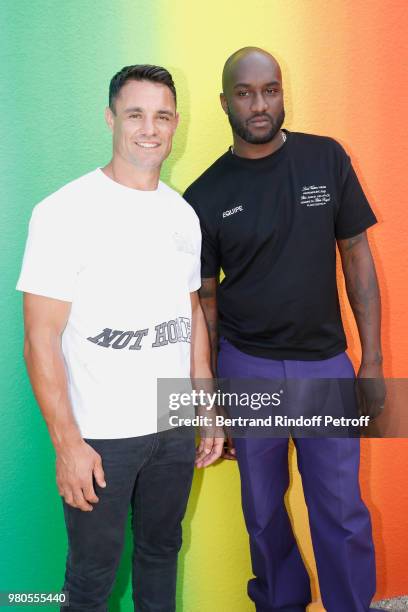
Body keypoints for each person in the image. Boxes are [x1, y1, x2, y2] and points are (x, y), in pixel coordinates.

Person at [184, 47, 384, 612]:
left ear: (282, 91)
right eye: (245, 93)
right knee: (263, 511)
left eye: (270, 89)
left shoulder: (327, 159)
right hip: (248, 367)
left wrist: (370, 361)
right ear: (225, 102)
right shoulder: (204, 195)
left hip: (326, 365)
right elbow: (205, 300)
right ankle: (280, 602)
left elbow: (357, 257)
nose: (260, 103)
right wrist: (214, 397)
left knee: (341, 510)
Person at [17, 64, 223, 612]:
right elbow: (40, 338)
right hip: (100, 437)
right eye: (135, 114)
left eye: (161, 116)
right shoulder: (64, 212)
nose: (149, 129)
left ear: (176, 123)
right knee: (92, 580)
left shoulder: (182, 214)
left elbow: (192, 313)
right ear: (111, 119)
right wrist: (67, 444)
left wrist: (205, 404)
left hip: (171, 427)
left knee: (161, 553)